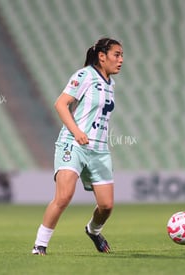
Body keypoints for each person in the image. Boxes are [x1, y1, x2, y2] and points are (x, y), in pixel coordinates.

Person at [32, 37, 123, 255]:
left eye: (122, 55)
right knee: (63, 196)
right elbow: (60, 104)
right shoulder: (85, 75)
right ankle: (40, 245)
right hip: (73, 144)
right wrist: (77, 132)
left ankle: (93, 230)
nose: (121, 60)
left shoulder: (111, 84)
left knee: (107, 206)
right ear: (102, 56)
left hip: (99, 150)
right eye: (117, 55)